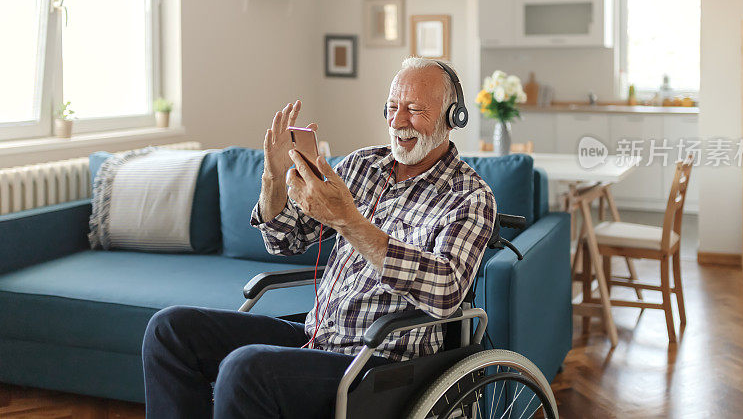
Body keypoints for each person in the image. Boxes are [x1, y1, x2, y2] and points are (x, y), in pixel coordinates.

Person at [141, 57, 496, 418]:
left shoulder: (470, 197)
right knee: (170, 329)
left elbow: (447, 291)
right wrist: (274, 177)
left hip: (382, 364)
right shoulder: (362, 166)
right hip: (317, 339)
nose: (398, 121)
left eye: (416, 109)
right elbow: (285, 240)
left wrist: (348, 221)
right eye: (392, 107)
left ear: (454, 117)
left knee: (245, 368)